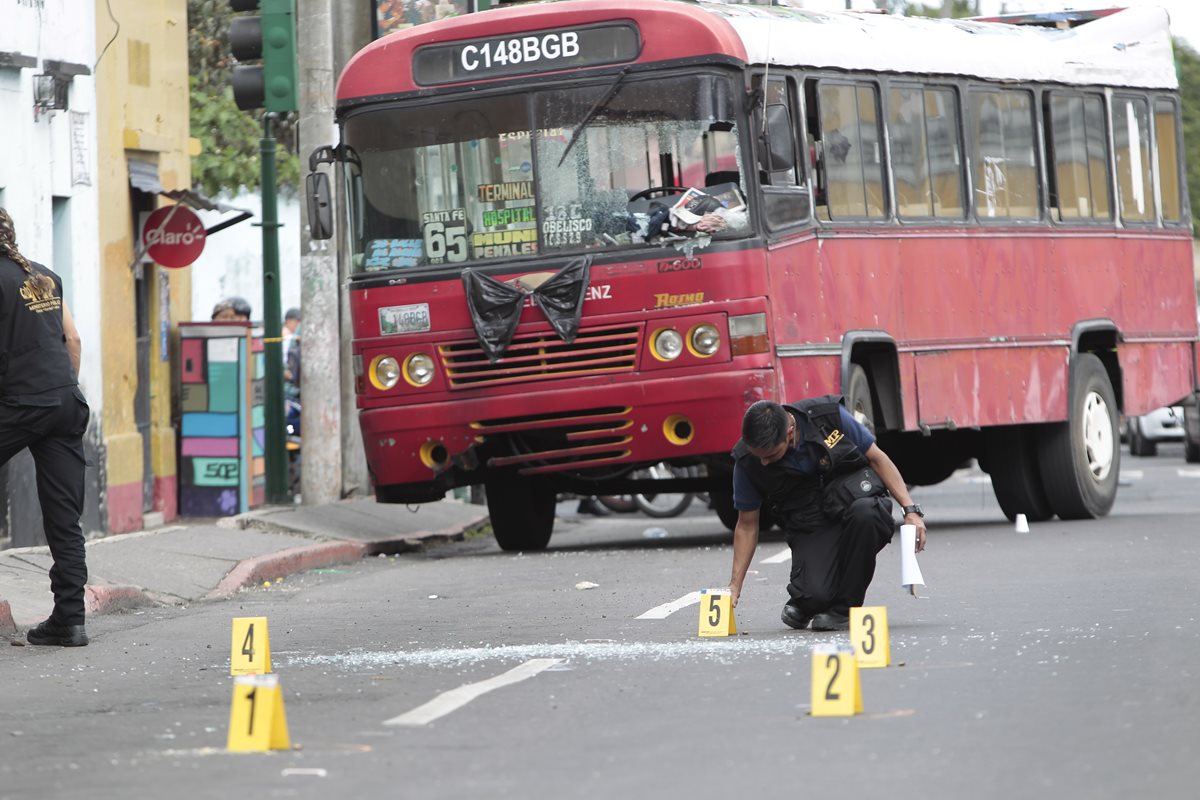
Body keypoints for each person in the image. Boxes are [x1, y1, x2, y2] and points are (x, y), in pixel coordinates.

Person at [726, 397, 927, 632]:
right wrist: (734, 586)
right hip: (811, 524)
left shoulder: (827, 417)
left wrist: (910, 511)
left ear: (789, 432)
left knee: (867, 514)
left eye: (770, 455)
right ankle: (808, 600)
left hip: (855, 505)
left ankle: (844, 610)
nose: (763, 461)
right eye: (758, 455)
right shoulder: (747, 460)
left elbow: (877, 458)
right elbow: (747, 525)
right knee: (815, 597)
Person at [0, 207, 90, 647]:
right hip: (66, 401)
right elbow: (73, 339)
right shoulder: (45, 276)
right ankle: (70, 621)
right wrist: (62, 387)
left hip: (21, 403)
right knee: (64, 516)